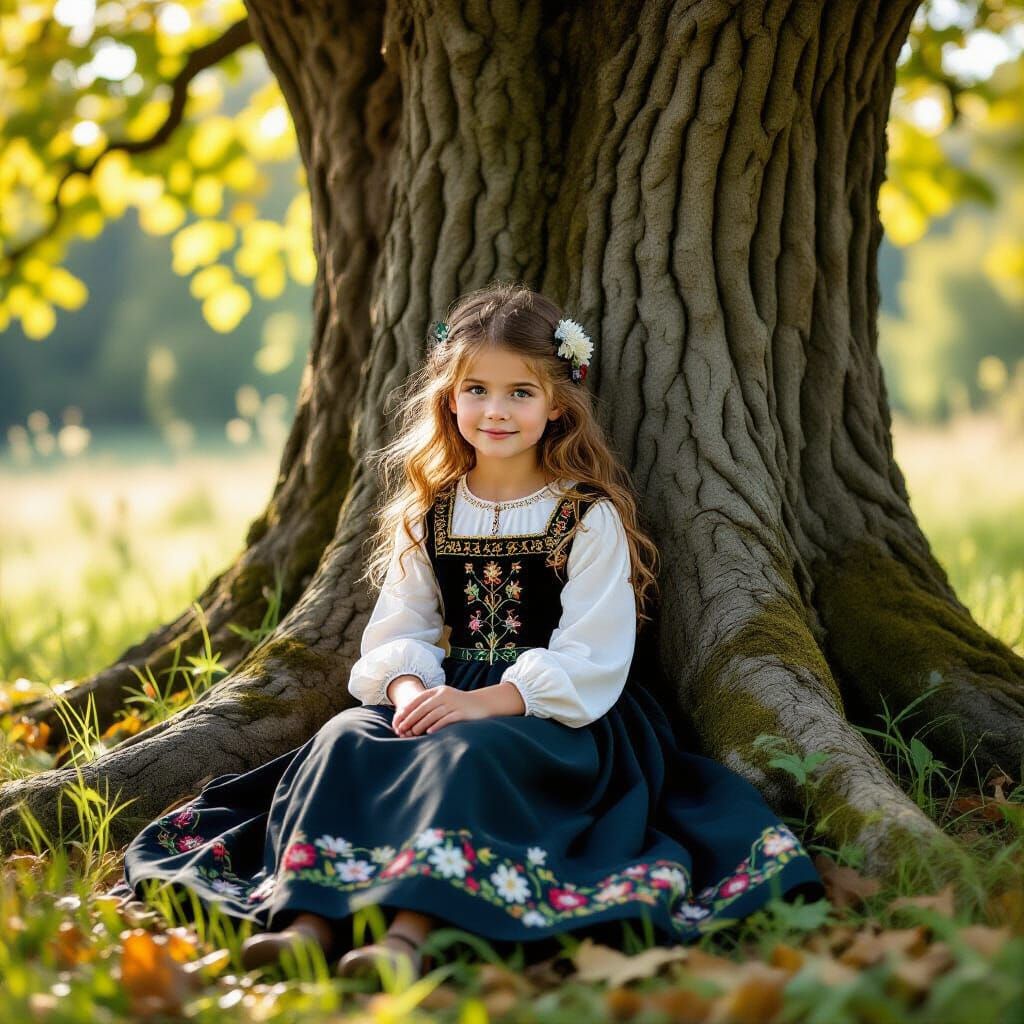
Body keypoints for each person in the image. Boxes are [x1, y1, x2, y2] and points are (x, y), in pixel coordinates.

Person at [110, 282, 826, 985]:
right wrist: (409, 686)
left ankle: (409, 934)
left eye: (520, 392)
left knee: (466, 754)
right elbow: (401, 626)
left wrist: (486, 702)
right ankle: (304, 921)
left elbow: (594, 654)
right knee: (344, 739)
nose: (497, 409)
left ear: (556, 405)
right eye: (478, 389)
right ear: (450, 400)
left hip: (551, 714)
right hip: (443, 690)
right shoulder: (433, 510)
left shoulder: (587, 515)